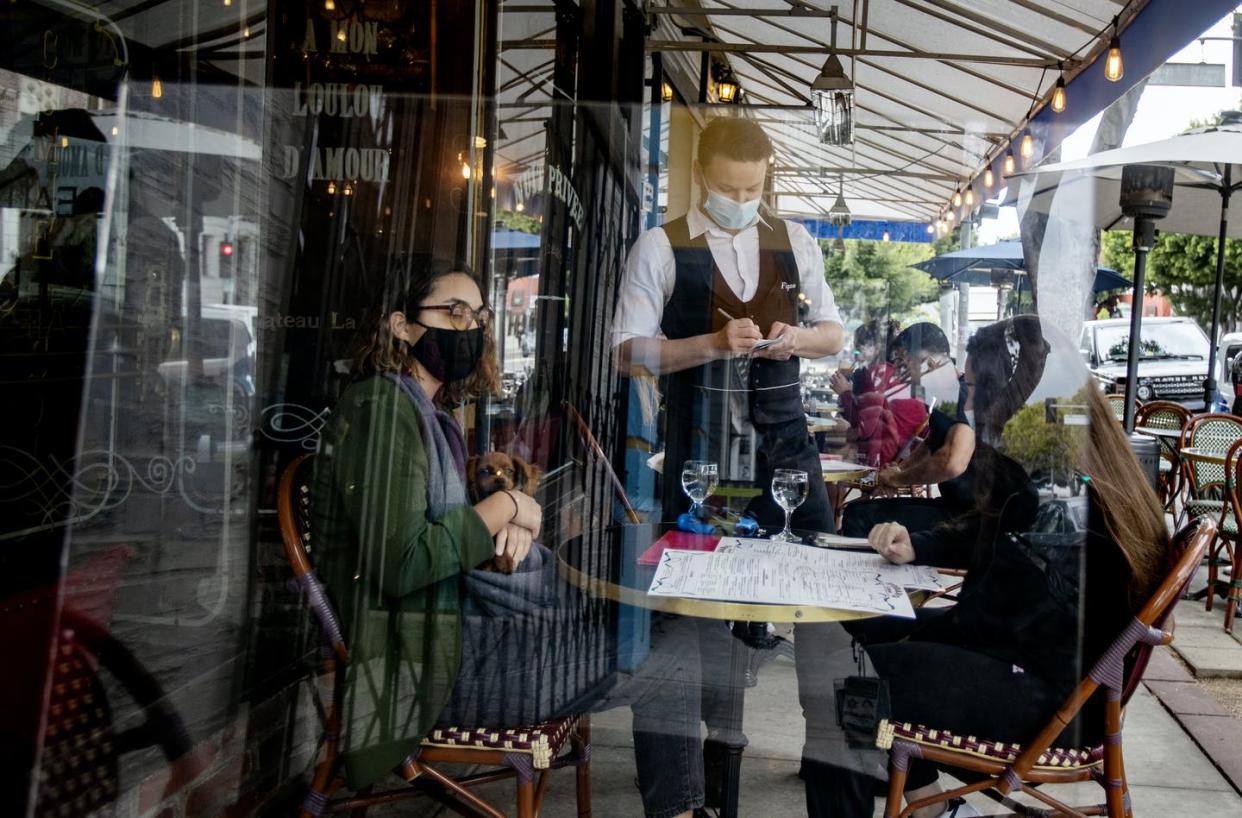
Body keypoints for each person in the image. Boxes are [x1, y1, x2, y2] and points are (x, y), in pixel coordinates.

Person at [311, 256, 706, 818]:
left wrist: (510, 522)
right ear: (401, 325)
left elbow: (437, 529)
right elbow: (401, 563)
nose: (470, 328)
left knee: (663, 627)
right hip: (427, 668)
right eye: (453, 312)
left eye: (478, 315)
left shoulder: (426, 412)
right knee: (670, 655)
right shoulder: (381, 411)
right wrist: (507, 503)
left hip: (458, 636)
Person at [798, 315, 1171, 818]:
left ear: (1010, 392)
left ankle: (920, 799)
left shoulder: (1051, 486)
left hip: (1044, 698)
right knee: (854, 640)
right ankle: (929, 802)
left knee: (844, 691)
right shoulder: (1066, 463)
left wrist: (918, 633)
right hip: (1049, 670)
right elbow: (992, 550)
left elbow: (998, 611)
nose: (968, 405)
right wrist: (919, 547)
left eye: (974, 388)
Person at [613, 116, 845, 532]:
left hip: (787, 452)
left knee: (807, 575)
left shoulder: (795, 241)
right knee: (694, 579)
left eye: (752, 189)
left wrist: (795, 339)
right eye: (726, 189)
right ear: (700, 174)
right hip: (701, 451)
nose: (740, 199)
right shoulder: (661, 246)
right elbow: (625, 354)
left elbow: (832, 336)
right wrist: (713, 344)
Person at [839, 322, 974, 536]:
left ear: (928, 362)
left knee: (859, 518)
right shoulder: (945, 394)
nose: (900, 371)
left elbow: (952, 462)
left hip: (968, 518)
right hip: (953, 506)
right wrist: (899, 469)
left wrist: (896, 479)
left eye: (904, 362)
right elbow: (930, 443)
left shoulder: (959, 395)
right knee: (858, 511)